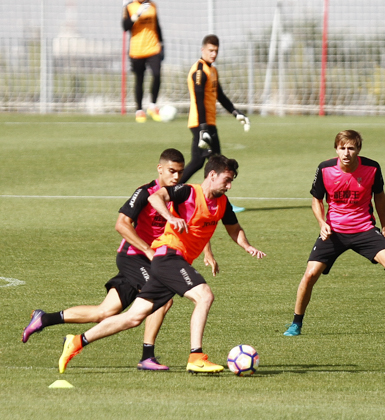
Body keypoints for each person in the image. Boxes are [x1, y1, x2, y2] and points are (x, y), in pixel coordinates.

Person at [58, 155, 266, 374]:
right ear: (212, 175)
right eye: (227, 179)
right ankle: (196, 356)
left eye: (232, 180)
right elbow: (155, 197)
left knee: (133, 317)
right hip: (168, 256)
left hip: (175, 263)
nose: (229, 186)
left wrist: (247, 246)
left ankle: (77, 341)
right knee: (204, 295)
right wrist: (170, 216)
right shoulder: (187, 192)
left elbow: (234, 229)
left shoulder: (223, 204)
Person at [22, 148, 185, 370]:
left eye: (180, 172)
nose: (176, 177)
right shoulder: (145, 192)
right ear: (160, 169)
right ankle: (147, 357)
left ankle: (44, 319)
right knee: (163, 300)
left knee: (105, 312)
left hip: (150, 259)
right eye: (171, 171)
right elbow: (121, 224)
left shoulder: (178, 194)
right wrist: (147, 250)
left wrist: (208, 252)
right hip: (134, 256)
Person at [283, 130, 385, 337]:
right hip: (334, 231)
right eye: (342, 148)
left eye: (351, 148)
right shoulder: (325, 169)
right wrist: (321, 223)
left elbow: (379, 197)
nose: (346, 153)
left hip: (364, 229)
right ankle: (296, 323)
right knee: (310, 274)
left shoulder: (372, 168)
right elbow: (316, 199)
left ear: (358, 150)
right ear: (336, 149)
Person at [181, 35, 250, 199]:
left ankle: (172, 192)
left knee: (200, 162)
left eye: (216, 51)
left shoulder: (213, 70)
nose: (213, 54)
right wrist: (203, 128)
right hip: (200, 123)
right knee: (219, 163)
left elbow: (220, 96)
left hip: (208, 123)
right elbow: (198, 100)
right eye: (210, 50)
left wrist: (235, 112)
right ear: (202, 49)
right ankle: (214, 199)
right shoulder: (199, 71)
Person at [122, 0, 164, 123]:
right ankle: (139, 110)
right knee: (139, 79)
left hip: (153, 48)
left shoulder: (152, 6)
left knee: (157, 74)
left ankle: (153, 105)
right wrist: (138, 14)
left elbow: (157, 25)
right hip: (137, 50)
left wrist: (161, 44)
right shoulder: (129, 7)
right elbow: (125, 26)